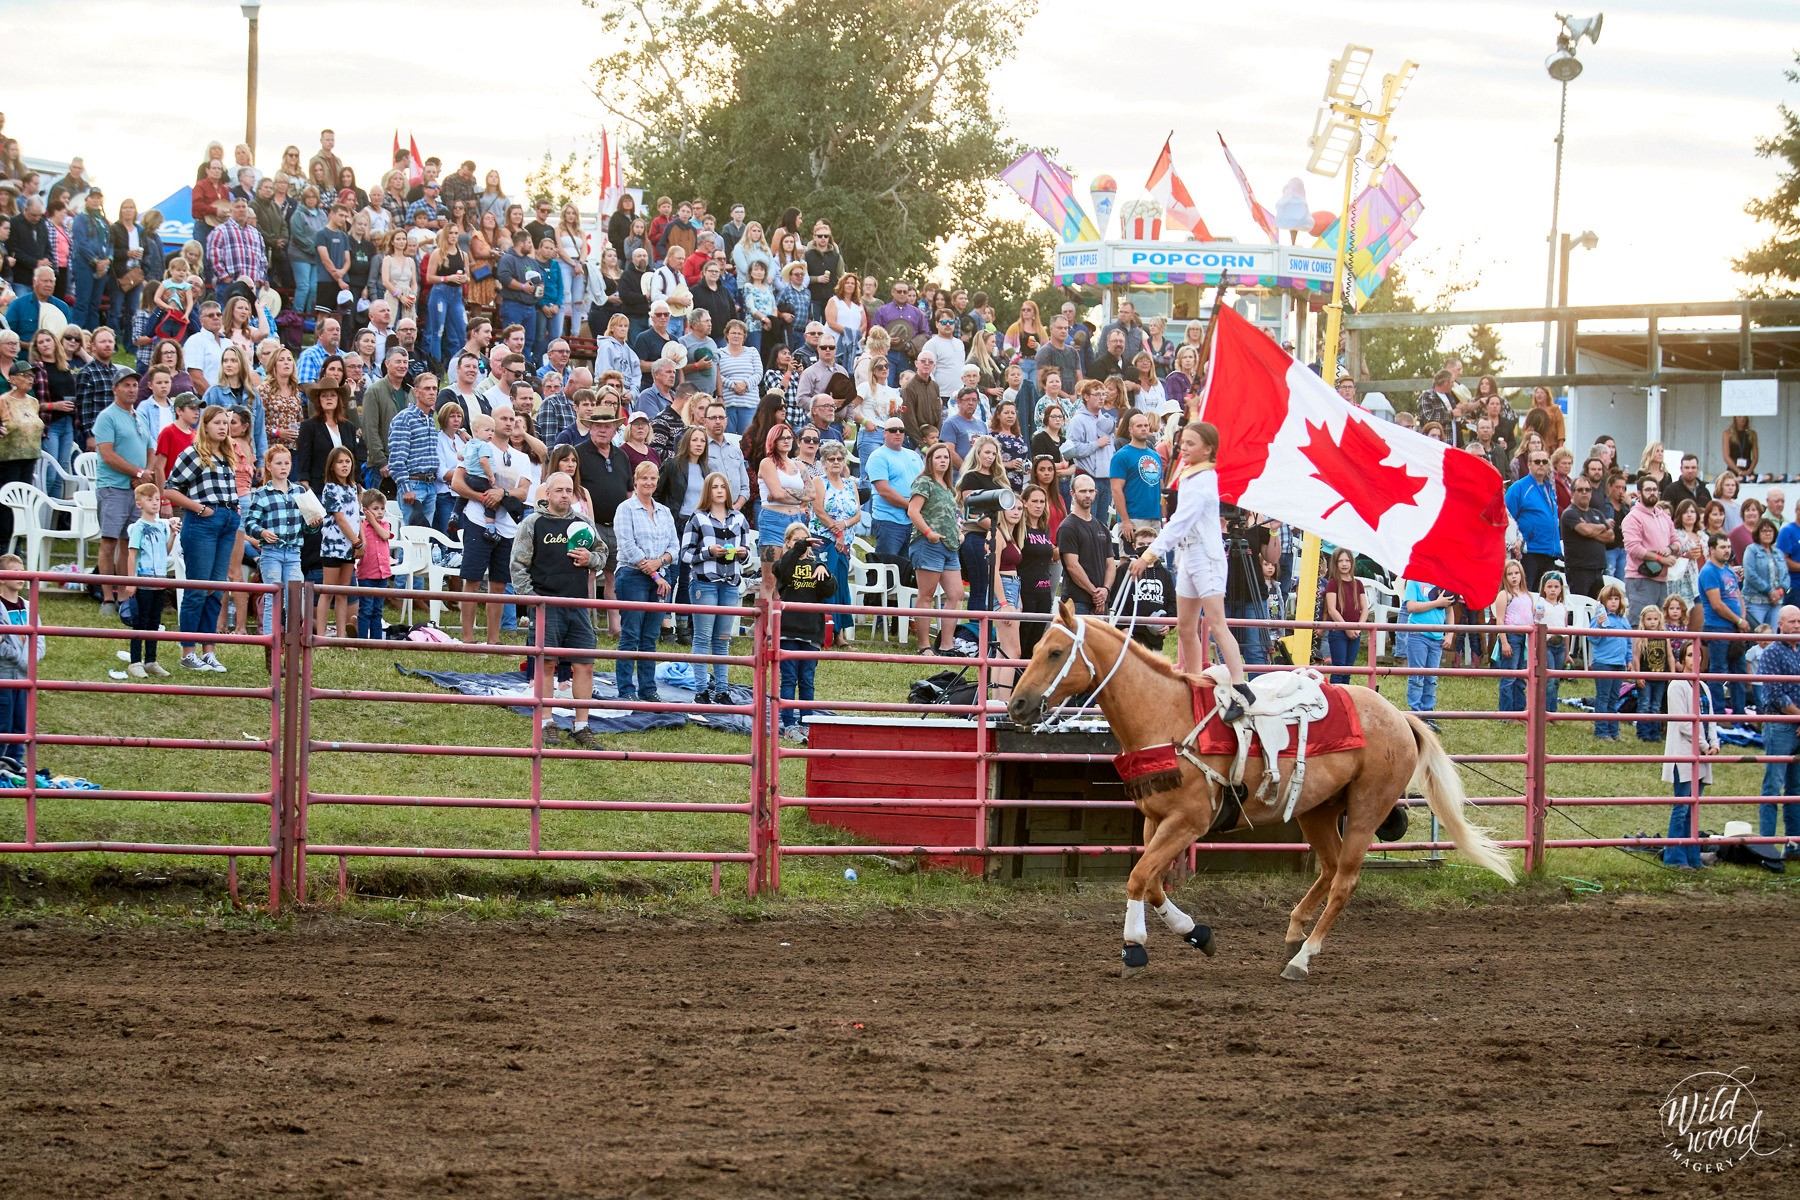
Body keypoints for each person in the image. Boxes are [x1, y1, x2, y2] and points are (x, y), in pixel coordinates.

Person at [1130, 423, 1258, 721]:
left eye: (1190, 444)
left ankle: (1241, 686)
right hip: (1188, 556)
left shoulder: (1203, 479)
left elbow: (1180, 522)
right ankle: (1194, 684)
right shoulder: (1190, 475)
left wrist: (1149, 555)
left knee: (1216, 623)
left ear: (1208, 449)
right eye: (1182, 442)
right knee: (1186, 626)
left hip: (1206, 557)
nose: (1183, 448)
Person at [511, 471, 604, 745]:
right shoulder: (533, 524)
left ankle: (581, 726)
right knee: (546, 664)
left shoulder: (583, 523)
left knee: (585, 665)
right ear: (547, 494)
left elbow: (603, 554)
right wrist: (533, 601)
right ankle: (546, 721)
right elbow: (518, 566)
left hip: (577, 605)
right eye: (559, 490)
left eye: (568, 490)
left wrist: (591, 558)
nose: (565, 495)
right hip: (546, 605)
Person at [161, 405, 240, 672]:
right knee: (197, 589)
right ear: (204, 426)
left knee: (216, 588)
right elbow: (169, 489)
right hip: (203, 523)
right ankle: (188, 651)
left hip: (226, 521)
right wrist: (199, 508)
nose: (222, 427)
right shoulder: (193, 454)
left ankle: (209, 650)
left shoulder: (227, 455)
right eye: (217, 422)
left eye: (225, 423)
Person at [681, 471, 751, 705]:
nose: (720, 490)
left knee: (722, 639)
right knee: (702, 637)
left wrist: (742, 554)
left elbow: (747, 556)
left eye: (723, 486)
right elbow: (685, 554)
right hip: (704, 583)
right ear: (707, 491)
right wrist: (708, 552)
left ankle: (722, 690)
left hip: (730, 584)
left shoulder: (739, 519)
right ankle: (701, 690)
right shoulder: (697, 518)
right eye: (715, 487)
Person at [613, 459, 678, 702]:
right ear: (636, 481)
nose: (649, 482)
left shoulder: (665, 511)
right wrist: (652, 571)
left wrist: (660, 564)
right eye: (644, 478)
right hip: (633, 575)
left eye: (653, 478)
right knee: (631, 634)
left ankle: (648, 689)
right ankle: (626, 690)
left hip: (661, 576)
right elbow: (627, 545)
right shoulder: (625, 509)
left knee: (650, 637)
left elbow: (675, 546)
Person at [242, 444, 316, 643]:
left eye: (287, 463)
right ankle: (271, 642)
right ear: (269, 466)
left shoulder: (300, 491)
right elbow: (250, 523)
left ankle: (290, 642)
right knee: (273, 598)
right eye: (278, 463)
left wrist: (314, 524)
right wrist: (262, 532)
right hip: (271, 552)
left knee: (293, 597)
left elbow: (308, 526)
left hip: (293, 553)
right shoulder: (261, 494)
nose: (283, 467)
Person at [772, 523, 835, 743]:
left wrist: (824, 573)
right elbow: (783, 573)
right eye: (797, 540)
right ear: (788, 542)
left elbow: (829, 591)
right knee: (788, 679)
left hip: (811, 632)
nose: (803, 545)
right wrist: (799, 548)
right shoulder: (783, 564)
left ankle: (807, 724)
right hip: (788, 631)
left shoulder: (818, 565)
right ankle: (788, 724)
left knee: (807, 680)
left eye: (806, 540)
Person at [1661, 640, 1719, 869]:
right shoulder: (1677, 685)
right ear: (1682, 659)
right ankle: (1675, 857)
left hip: (1701, 753)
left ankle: (1692, 856)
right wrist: (1705, 746)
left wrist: (1714, 742)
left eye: (1698, 655)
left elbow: (1711, 717)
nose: (1694, 659)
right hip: (1684, 753)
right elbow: (1684, 723)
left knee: (1693, 807)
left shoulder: (1702, 686)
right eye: (1689, 655)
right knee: (1682, 806)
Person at [906, 441, 964, 656]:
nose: (943, 461)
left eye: (946, 457)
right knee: (927, 595)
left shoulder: (948, 487)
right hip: (927, 544)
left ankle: (947, 645)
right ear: (929, 460)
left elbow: (952, 515)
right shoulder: (924, 482)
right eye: (938, 457)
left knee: (956, 593)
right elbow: (913, 511)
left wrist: (958, 532)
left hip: (950, 546)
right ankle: (924, 645)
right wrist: (929, 533)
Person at [1756, 605, 1800, 853]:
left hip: (1795, 725)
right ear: (1780, 624)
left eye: (1799, 621)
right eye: (1792, 621)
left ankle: (1794, 843)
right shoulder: (1772, 653)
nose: (1797, 625)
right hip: (1780, 725)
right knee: (1773, 785)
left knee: (1796, 789)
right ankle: (1767, 845)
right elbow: (1775, 694)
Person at [119, 482, 174, 678]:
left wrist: (173, 536)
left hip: (159, 582)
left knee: (154, 623)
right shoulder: (138, 528)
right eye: (150, 499)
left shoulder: (162, 526)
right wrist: (131, 580)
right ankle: (135, 661)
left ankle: (151, 660)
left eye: (157, 499)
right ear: (139, 503)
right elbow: (132, 554)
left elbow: (164, 552)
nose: (155, 503)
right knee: (139, 623)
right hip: (143, 582)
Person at [1697, 532, 1749, 716]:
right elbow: (1717, 604)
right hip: (1717, 627)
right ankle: (1717, 714)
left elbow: (1738, 596)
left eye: (1728, 547)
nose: (1727, 551)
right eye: (1722, 547)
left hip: (1734, 629)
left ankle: (1740, 714)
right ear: (1711, 550)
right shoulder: (1709, 571)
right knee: (1718, 673)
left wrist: (1742, 619)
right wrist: (1739, 620)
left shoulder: (1728, 570)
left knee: (1739, 674)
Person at [0, 361, 45, 551]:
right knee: (6, 503)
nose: (30, 379)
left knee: (23, 501)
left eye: (31, 376)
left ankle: (18, 542)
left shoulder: (33, 402)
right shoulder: (3, 401)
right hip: (7, 458)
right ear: (12, 379)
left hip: (30, 456)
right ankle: (4, 543)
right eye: (25, 375)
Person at [1402, 578, 1455, 725]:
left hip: (1437, 637)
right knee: (1417, 677)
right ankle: (1416, 714)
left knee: (1431, 678)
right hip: (1417, 634)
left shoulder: (1444, 581)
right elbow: (1411, 607)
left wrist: (1450, 633)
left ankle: (1428, 713)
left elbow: (1450, 610)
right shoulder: (1414, 581)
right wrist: (1437, 603)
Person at [1623, 475, 1677, 618]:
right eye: (1648, 490)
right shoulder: (1632, 517)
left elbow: (1677, 542)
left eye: (1655, 489)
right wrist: (1661, 559)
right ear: (1639, 493)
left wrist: (1670, 549)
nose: (1652, 492)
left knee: (1659, 627)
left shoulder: (1664, 516)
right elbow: (1633, 549)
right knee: (1639, 626)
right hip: (1640, 579)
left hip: (1662, 580)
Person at [1588, 584, 1634, 741]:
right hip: (1603, 662)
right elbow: (1593, 639)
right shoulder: (1599, 619)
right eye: (1610, 599)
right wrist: (1599, 626)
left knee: (1615, 697)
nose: (1613, 602)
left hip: (1619, 664)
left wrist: (1629, 660)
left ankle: (1614, 731)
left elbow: (1628, 642)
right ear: (1603, 601)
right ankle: (1601, 731)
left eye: (1616, 599)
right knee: (1603, 697)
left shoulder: (1623, 621)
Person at [1558, 475, 1612, 599]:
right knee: (1580, 609)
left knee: (1598, 610)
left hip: (1598, 569)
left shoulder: (1597, 513)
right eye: (1580, 490)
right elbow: (1586, 530)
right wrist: (1603, 526)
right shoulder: (1569, 513)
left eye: (1587, 490)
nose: (1584, 493)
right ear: (1572, 493)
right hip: (1579, 571)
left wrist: (1591, 532)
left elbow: (1610, 536)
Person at [1492, 559, 1534, 713]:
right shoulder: (1504, 595)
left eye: (1516, 573)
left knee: (1521, 677)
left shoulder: (1527, 595)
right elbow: (1500, 620)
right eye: (1510, 574)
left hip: (1526, 637)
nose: (1514, 577)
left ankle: (1519, 711)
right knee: (1509, 676)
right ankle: (1506, 712)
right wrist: (1504, 642)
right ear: (1505, 577)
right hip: (1511, 636)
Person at [1322, 548, 1365, 686]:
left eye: (1347, 560)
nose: (1344, 564)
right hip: (1338, 631)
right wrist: (1346, 627)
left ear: (1352, 563)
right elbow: (1332, 609)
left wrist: (1358, 628)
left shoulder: (1358, 584)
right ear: (1335, 563)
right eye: (1340, 561)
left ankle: (1346, 701)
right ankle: (1336, 700)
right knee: (1339, 668)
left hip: (1355, 631)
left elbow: (1364, 609)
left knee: (1348, 670)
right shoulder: (1333, 583)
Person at [1631, 602, 1671, 744]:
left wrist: (1672, 675)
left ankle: (1655, 733)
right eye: (1649, 619)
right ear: (1643, 620)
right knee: (1645, 704)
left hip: (1660, 677)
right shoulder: (1641, 636)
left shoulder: (1664, 635)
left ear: (1659, 619)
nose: (1652, 622)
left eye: (1655, 619)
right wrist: (1638, 675)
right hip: (1645, 677)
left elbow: (1670, 656)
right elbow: (1635, 657)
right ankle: (1643, 732)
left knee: (1656, 705)